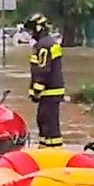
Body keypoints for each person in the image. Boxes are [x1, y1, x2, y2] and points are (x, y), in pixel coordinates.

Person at [24, 13, 65, 148]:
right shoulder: (47, 43)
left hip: (49, 92)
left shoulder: (44, 46)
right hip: (50, 92)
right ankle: (44, 148)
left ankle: (54, 151)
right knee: (43, 121)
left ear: (38, 28)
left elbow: (43, 71)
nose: (30, 34)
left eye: (31, 30)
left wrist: (36, 91)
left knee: (49, 124)